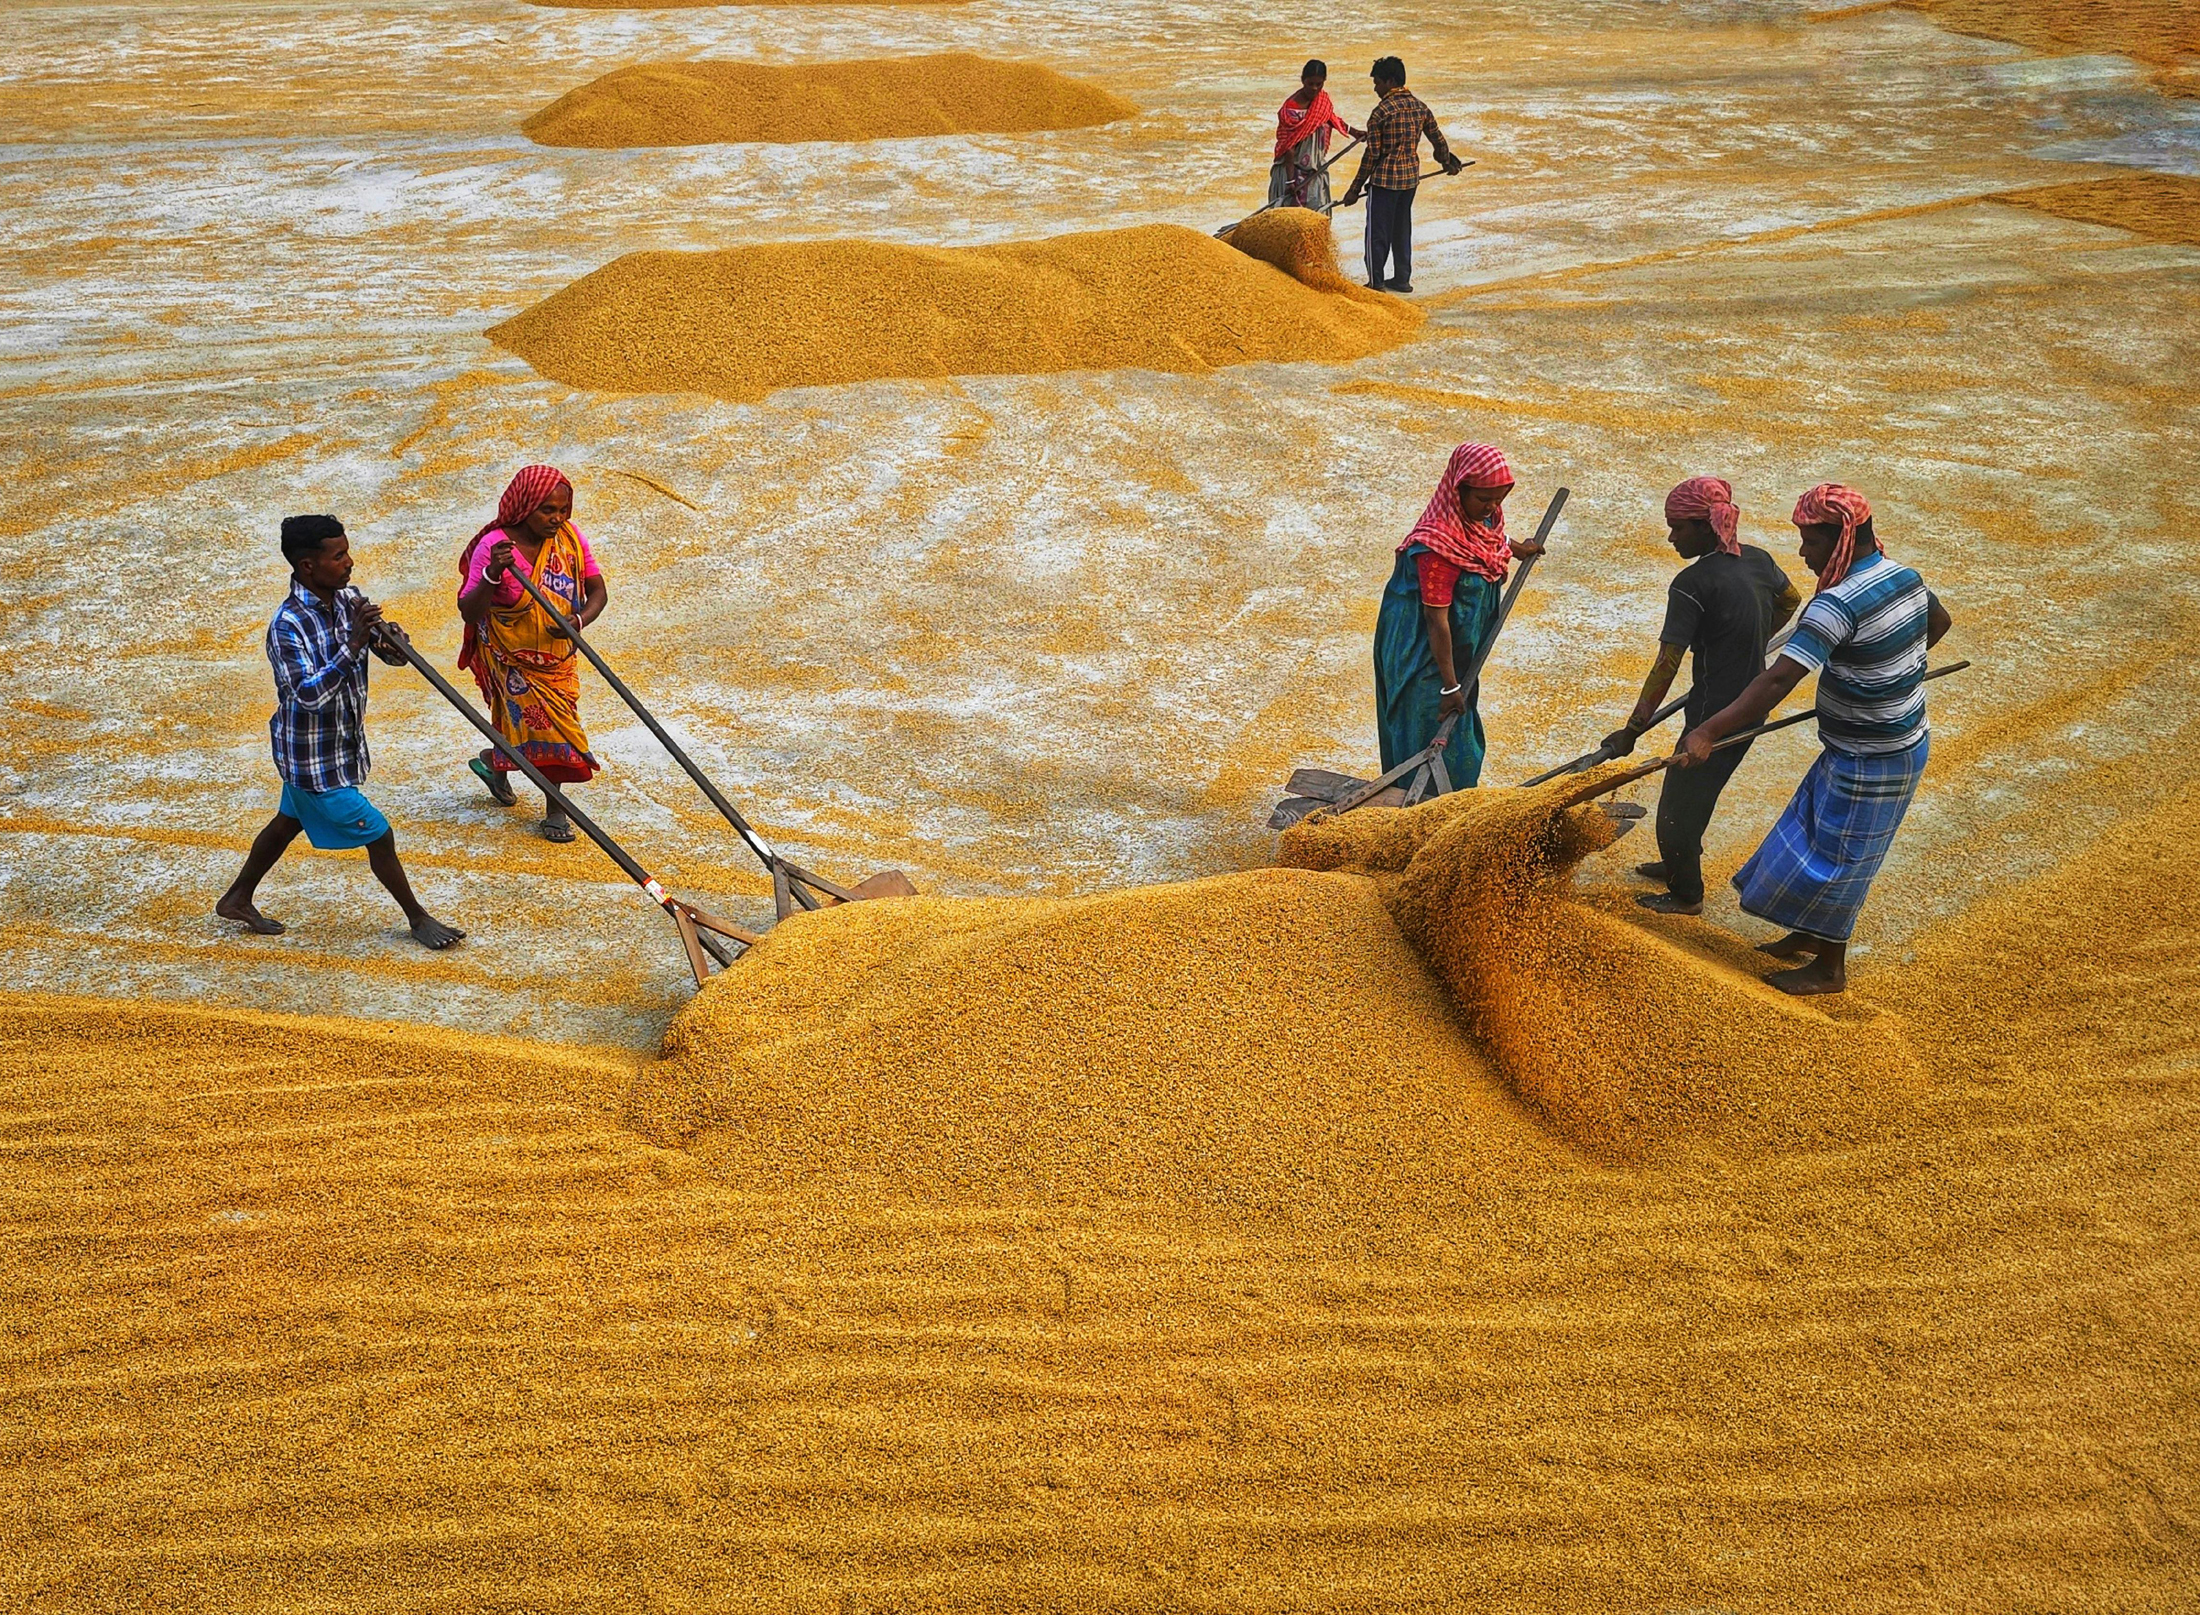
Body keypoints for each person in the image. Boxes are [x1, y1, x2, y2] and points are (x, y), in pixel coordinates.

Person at [1672, 484, 1951, 995]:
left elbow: (1777, 680)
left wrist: (1706, 731)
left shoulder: (1835, 605)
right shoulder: (1902, 576)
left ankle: (1829, 969)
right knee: (1813, 836)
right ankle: (1807, 934)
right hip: (1866, 744)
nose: (1802, 553)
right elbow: (1939, 621)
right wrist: (1893, 667)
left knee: (1843, 859)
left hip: (1876, 755)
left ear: (1841, 539)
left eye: (1810, 541)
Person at [216, 515, 464, 950]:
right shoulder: (287, 627)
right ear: (308, 566)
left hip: (338, 747)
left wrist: (391, 641)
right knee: (379, 835)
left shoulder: (349, 599)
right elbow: (309, 695)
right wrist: (353, 644)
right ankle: (417, 917)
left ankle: (237, 898)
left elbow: (391, 658)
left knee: (287, 823)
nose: (349, 563)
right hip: (312, 759)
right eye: (339, 556)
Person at [1602, 477, 1801, 916]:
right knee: (1696, 795)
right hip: (1750, 703)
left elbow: (1666, 665)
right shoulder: (1759, 559)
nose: (1671, 538)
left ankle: (1686, 894)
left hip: (1716, 714)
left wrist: (1632, 730)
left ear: (1705, 526)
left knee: (1677, 809)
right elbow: (1790, 599)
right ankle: (1678, 863)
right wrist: (1751, 641)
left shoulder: (1690, 584)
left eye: (1678, 528)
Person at [1373, 441, 1543, 791]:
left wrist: (1518, 549)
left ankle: (1452, 799)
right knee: (1427, 727)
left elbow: (1489, 539)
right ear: (1458, 490)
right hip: (1423, 656)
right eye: (1483, 499)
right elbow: (1436, 621)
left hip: (1457, 655)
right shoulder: (1437, 549)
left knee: (1459, 731)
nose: (1492, 507)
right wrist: (1450, 686)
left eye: (1499, 498)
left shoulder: (1483, 519)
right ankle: (1419, 804)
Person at [457, 464, 607, 842]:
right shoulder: (494, 547)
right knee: (547, 730)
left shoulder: (571, 539)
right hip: (511, 658)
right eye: (547, 510)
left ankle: (495, 763)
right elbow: (470, 611)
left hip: (558, 658)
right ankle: (556, 810)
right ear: (524, 506)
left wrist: (578, 620)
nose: (557, 518)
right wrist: (493, 573)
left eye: (563, 510)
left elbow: (598, 592)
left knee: (551, 724)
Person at [1336, 56, 1464, 294]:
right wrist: (1447, 162)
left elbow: (1371, 155)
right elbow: (1438, 140)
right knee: (1401, 229)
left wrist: (1354, 189)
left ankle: (1376, 282)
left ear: (1390, 81)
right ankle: (1402, 279)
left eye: (1377, 82)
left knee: (1377, 234)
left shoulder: (1380, 112)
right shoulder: (1420, 107)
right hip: (1409, 181)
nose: (1375, 89)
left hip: (1384, 183)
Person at [1268, 59, 1361, 213]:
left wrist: (1354, 132)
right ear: (1302, 80)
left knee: (1316, 218)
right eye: (1310, 84)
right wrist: (1290, 182)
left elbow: (1331, 118)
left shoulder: (1322, 101)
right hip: (1292, 173)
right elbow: (1288, 146)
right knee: (1290, 218)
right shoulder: (1291, 108)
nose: (1314, 88)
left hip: (1314, 171)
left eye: (1319, 84)